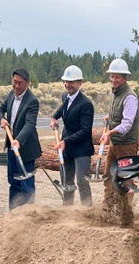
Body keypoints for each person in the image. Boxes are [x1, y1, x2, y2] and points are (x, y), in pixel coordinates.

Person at [0, 68, 41, 210]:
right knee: (13, 181)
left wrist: (19, 140)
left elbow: (30, 124)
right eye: (14, 82)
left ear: (27, 83)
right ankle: (13, 213)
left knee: (26, 184)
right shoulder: (11, 94)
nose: (16, 86)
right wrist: (1, 119)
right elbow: (0, 109)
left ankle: (28, 215)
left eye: (20, 83)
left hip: (26, 149)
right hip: (11, 147)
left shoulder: (32, 101)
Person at [50, 65, 94, 206]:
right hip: (67, 147)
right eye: (66, 82)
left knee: (82, 181)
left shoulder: (86, 104)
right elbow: (63, 107)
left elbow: (85, 130)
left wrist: (66, 141)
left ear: (80, 83)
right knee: (66, 180)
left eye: (72, 82)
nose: (68, 85)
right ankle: (67, 210)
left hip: (81, 148)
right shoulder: (65, 96)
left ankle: (87, 211)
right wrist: (55, 117)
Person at [100, 58, 139, 204]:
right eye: (112, 76)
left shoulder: (130, 97)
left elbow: (127, 124)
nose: (113, 79)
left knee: (125, 180)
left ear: (125, 78)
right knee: (108, 177)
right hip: (115, 144)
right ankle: (108, 210)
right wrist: (109, 118)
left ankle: (126, 213)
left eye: (117, 76)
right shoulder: (114, 93)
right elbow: (117, 114)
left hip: (127, 146)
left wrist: (109, 133)